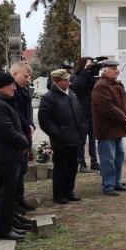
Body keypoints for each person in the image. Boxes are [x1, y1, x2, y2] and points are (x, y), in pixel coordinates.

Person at [0, 72, 30, 241]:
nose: (14, 88)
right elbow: (8, 132)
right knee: (6, 193)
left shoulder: (2, 102)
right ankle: (5, 228)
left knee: (10, 193)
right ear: (1, 87)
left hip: (9, 155)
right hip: (3, 156)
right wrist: (24, 141)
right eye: (11, 85)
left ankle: (10, 222)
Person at [38, 69, 85, 204]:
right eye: (65, 80)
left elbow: (79, 114)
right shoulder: (49, 98)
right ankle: (59, 194)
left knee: (72, 167)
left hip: (75, 139)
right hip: (61, 141)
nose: (68, 82)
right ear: (57, 81)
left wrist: (81, 133)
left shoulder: (72, 95)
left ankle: (69, 190)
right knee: (61, 168)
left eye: (68, 79)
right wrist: (58, 134)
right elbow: (45, 121)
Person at [92, 60, 126, 196]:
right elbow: (106, 107)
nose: (117, 70)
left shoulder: (118, 84)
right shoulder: (101, 86)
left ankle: (116, 181)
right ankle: (108, 185)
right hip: (107, 128)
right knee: (108, 158)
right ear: (104, 71)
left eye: (116, 68)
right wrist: (123, 117)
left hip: (118, 127)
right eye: (113, 68)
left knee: (119, 156)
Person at [9, 62, 36, 212]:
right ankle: (16, 202)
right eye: (25, 76)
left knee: (23, 169)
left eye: (29, 76)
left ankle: (20, 199)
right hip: (19, 134)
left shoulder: (23, 89)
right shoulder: (12, 91)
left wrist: (31, 124)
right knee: (17, 172)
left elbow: (27, 111)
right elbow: (16, 112)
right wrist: (27, 125)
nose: (28, 79)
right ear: (15, 74)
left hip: (26, 133)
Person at [71, 57, 99, 172]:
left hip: (92, 112)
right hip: (82, 113)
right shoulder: (77, 77)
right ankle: (81, 163)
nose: (90, 66)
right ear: (82, 65)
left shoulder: (92, 77)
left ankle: (94, 162)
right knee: (81, 140)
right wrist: (85, 72)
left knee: (93, 139)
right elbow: (78, 86)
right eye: (88, 65)